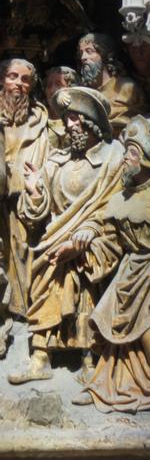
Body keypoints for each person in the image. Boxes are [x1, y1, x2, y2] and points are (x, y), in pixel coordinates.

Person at [74, 116, 150, 413]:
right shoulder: (119, 199)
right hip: (129, 273)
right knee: (111, 328)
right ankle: (105, 389)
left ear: (145, 157)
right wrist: (85, 247)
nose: (124, 160)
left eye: (130, 152)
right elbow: (112, 245)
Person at [11, 87, 124, 384]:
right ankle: (40, 357)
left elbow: (117, 205)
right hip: (53, 241)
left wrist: (87, 233)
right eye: (67, 119)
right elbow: (35, 214)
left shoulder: (114, 159)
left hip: (92, 242)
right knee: (47, 279)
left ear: (91, 122)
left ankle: (90, 358)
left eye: (75, 118)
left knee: (85, 288)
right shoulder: (55, 162)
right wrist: (35, 190)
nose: (70, 124)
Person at [0, 58, 49, 318]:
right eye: (12, 76)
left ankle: (21, 312)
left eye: (25, 79)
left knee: (23, 254)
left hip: (24, 202)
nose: (18, 83)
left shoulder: (40, 122)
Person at [76, 33, 146, 137]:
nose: (83, 57)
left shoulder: (126, 88)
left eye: (89, 51)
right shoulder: (83, 94)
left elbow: (141, 123)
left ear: (104, 55)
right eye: (81, 53)